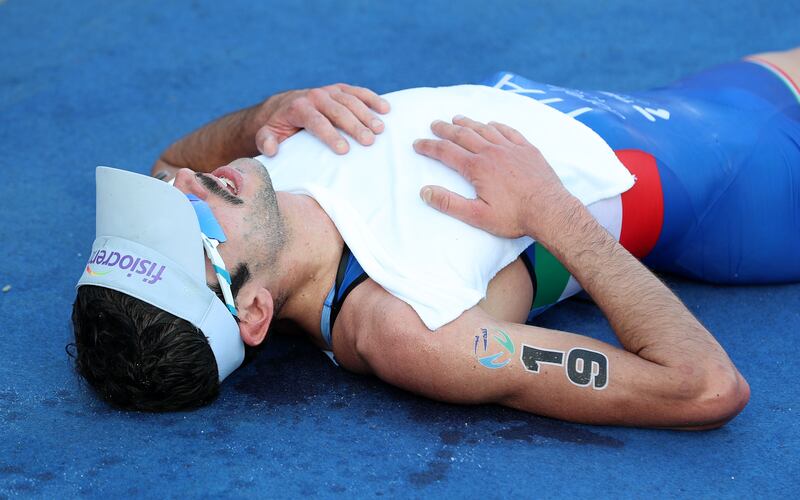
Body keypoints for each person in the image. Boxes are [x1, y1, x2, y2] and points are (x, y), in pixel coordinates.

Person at [71, 47, 800, 428]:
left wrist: (264, 110)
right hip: (748, 180)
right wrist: (553, 212)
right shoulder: (409, 329)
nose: (189, 184)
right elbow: (702, 387)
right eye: (191, 220)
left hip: (676, 106)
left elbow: (169, 159)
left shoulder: (254, 172)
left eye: (161, 199)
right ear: (253, 311)